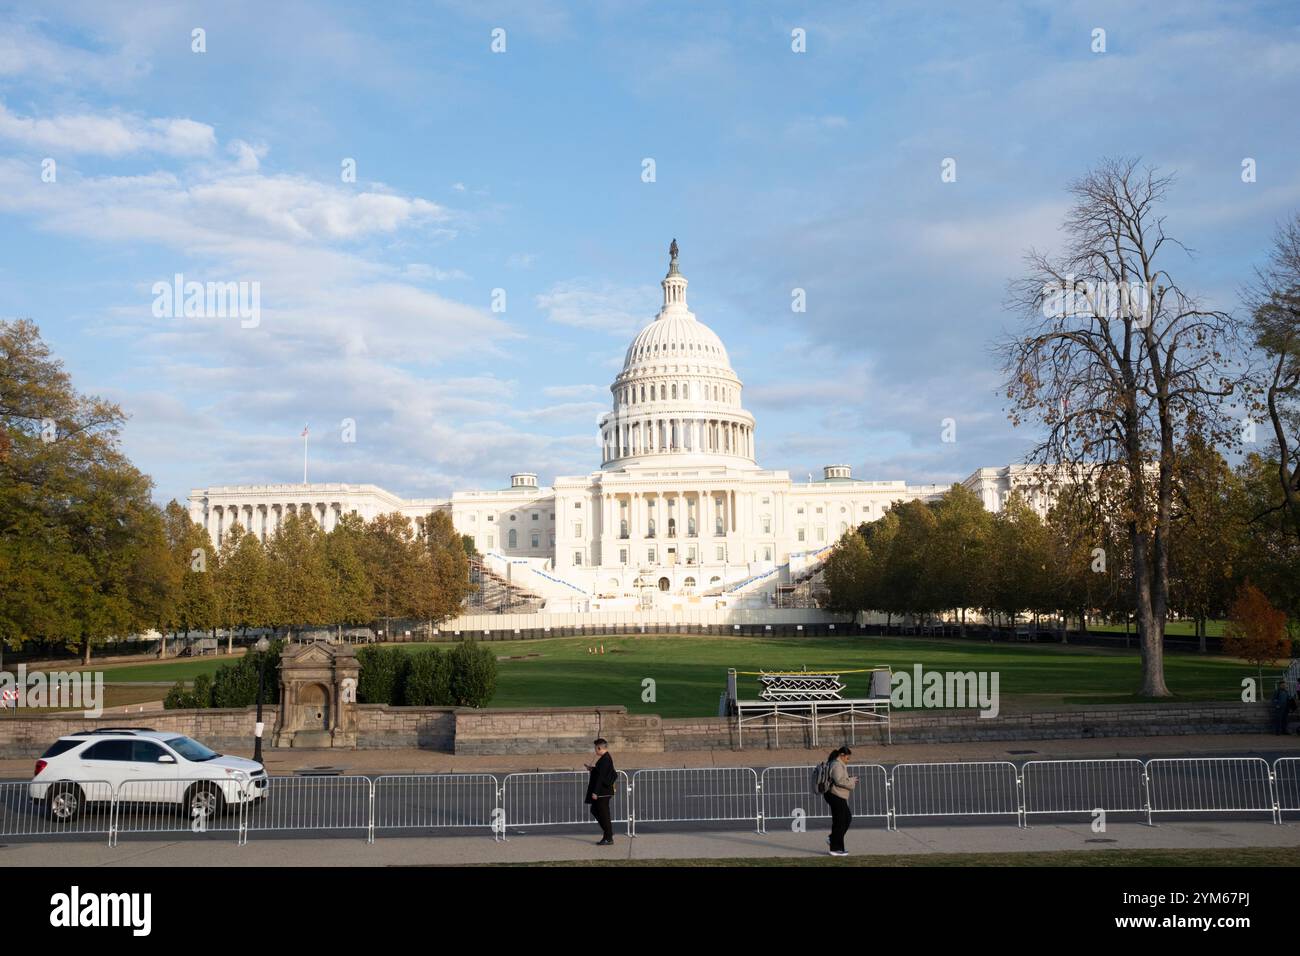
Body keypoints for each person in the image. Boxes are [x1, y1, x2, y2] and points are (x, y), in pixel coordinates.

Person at [824, 745, 857, 856]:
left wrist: (850, 779)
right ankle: (835, 848)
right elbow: (839, 781)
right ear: (842, 755)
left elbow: (840, 779)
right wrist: (852, 781)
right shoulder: (837, 764)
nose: (849, 760)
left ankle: (833, 838)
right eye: (848, 758)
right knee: (840, 822)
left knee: (846, 818)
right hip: (835, 795)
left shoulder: (837, 763)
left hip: (837, 795)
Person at [584, 738, 617, 845]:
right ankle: (608, 833)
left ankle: (608, 836)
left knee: (603, 814)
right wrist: (592, 769)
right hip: (603, 792)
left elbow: (601, 777)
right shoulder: (605, 758)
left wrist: (596, 792)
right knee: (595, 810)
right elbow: (601, 773)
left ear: (599, 748)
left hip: (603, 792)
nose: (595, 750)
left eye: (595, 748)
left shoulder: (605, 759)